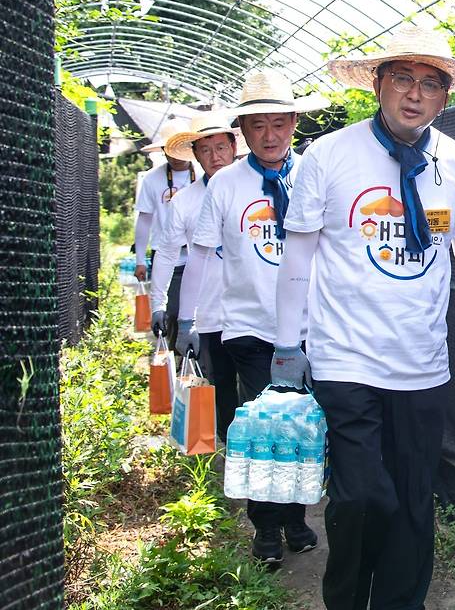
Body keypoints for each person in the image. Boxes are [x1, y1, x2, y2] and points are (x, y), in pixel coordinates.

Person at [271, 25, 455, 610]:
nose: (415, 94)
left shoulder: (454, 161)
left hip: (421, 364)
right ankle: (346, 600)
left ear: (445, 97)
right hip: (344, 359)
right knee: (360, 498)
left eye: (431, 84)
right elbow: (297, 253)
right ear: (378, 83)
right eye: (403, 77)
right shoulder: (330, 156)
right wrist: (287, 343)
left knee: (412, 500)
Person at [174, 70, 330, 563]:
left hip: (313, 329)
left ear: (293, 123)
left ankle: (297, 518)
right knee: (267, 428)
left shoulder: (316, 173)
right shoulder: (226, 186)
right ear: (243, 129)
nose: (269, 135)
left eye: (278, 124)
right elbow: (199, 256)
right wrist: (187, 322)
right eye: (257, 125)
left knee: (305, 428)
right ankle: (266, 528)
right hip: (251, 329)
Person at [150, 112, 240, 442]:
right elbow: (167, 254)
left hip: (256, 314)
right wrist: (159, 304)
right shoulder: (186, 202)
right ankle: (229, 455)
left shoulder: (259, 190)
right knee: (221, 390)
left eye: (220, 146)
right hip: (210, 314)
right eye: (206, 149)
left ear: (233, 146)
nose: (215, 156)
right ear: (195, 154)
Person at [134, 117, 197, 351]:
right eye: (171, 150)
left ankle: (193, 358)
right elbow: (144, 219)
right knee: (171, 311)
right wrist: (140, 260)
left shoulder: (203, 174)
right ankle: (176, 357)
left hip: (198, 254)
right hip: (167, 254)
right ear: (164, 151)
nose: (177, 156)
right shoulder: (152, 180)